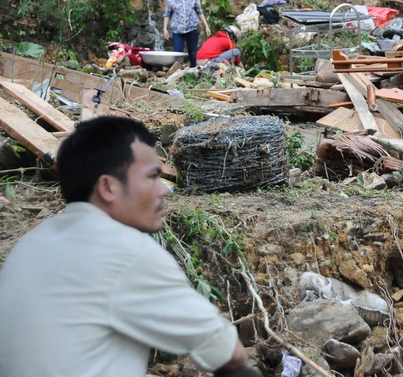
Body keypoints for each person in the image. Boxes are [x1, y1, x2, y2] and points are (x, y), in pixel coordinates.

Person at [0, 116, 253, 377]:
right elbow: (228, 353)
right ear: (108, 187)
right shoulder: (126, 251)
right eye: (153, 177)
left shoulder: (31, 243)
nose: (163, 190)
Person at [163, 0, 211, 67]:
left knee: (193, 53)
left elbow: (199, 12)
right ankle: (177, 73)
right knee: (177, 54)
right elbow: (167, 14)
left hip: (192, 28)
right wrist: (165, 28)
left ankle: (194, 70)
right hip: (177, 30)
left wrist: (206, 25)